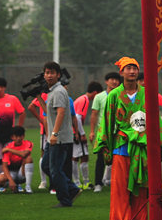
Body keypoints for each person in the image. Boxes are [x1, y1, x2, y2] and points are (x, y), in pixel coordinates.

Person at [96, 57, 162, 220]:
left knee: (142, 185)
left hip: (142, 145)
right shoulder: (114, 95)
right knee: (120, 186)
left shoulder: (147, 93)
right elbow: (107, 121)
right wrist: (106, 145)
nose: (132, 71)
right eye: (128, 68)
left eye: (135, 68)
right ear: (121, 72)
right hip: (122, 145)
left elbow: (155, 118)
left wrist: (158, 143)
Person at [37, 61, 81, 207]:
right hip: (53, 137)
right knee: (46, 166)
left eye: (52, 73)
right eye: (47, 72)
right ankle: (72, 189)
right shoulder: (51, 92)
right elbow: (48, 112)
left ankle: (65, 200)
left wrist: (54, 133)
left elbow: (61, 112)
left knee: (55, 169)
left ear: (58, 75)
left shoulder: (59, 91)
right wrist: (38, 98)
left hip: (60, 137)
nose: (49, 75)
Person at [0, 77, 25, 185]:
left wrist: (18, 129)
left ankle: (15, 181)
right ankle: (2, 183)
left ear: (5, 88)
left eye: (1, 87)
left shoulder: (12, 99)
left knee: (11, 159)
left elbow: (22, 112)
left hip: (9, 135)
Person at [89, 72, 122, 192]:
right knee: (101, 158)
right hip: (103, 132)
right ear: (106, 81)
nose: (114, 82)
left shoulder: (121, 95)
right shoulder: (99, 97)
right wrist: (92, 131)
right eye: (111, 79)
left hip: (118, 132)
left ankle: (117, 182)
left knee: (119, 158)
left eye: (116, 80)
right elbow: (94, 114)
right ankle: (98, 183)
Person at [72, 82, 102, 189]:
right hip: (75, 132)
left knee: (76, 157)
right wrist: (82, 134)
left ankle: (79, 182)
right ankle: (83, 183)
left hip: (73, 131)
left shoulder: (81, 99)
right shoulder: (84, 100)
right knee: (82, 157)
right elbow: (77, 117)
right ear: (95, 93)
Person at [0, 126, 34, 193]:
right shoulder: (8, 146)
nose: (19, 138)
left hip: (22, 172)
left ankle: (28, 187)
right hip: (12, 173)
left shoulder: (28, 143)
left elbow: (24, 154)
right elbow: (4, 166)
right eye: (16, 136)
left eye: (20, 136)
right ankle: (14, 186)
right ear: (12, 137)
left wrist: (9, 150)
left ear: (24, 136)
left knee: (29, 158)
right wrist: (11, 180)